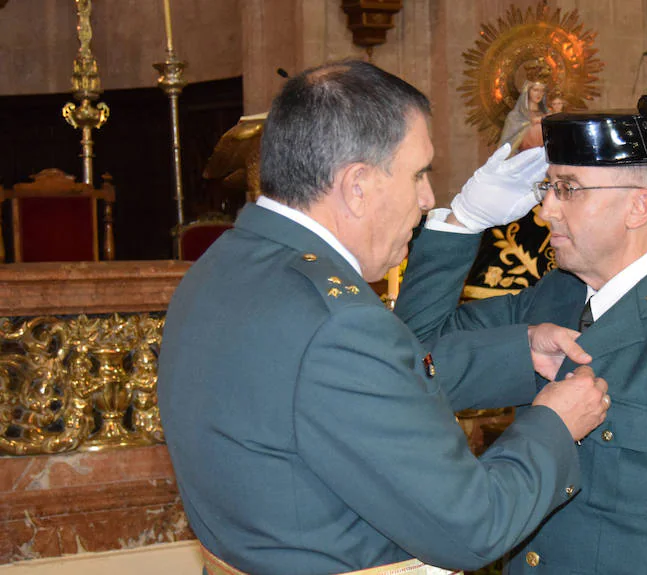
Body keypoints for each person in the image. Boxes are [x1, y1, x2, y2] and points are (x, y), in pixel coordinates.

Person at [157, 60, 613, 575]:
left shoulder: (220, 267)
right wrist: (554, 425)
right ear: (357, 185)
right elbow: (474, 525)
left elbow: (351, 395)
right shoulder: (334, 323)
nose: (426, 199)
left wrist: (514, 352)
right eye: (419, 174)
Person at [396, 96, 647, 574]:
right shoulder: (555, 299)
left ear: (638, 206)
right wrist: (462, 221)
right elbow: (409, 363)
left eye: (568, 189)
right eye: (547, 187)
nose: (544, 210)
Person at [499, 79, 548, 153]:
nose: (539, 94)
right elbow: (506, 147)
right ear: (527, 91)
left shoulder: (548, 116)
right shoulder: (515, 117)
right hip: (522, 159)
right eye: (536, 90)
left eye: (542, 91)